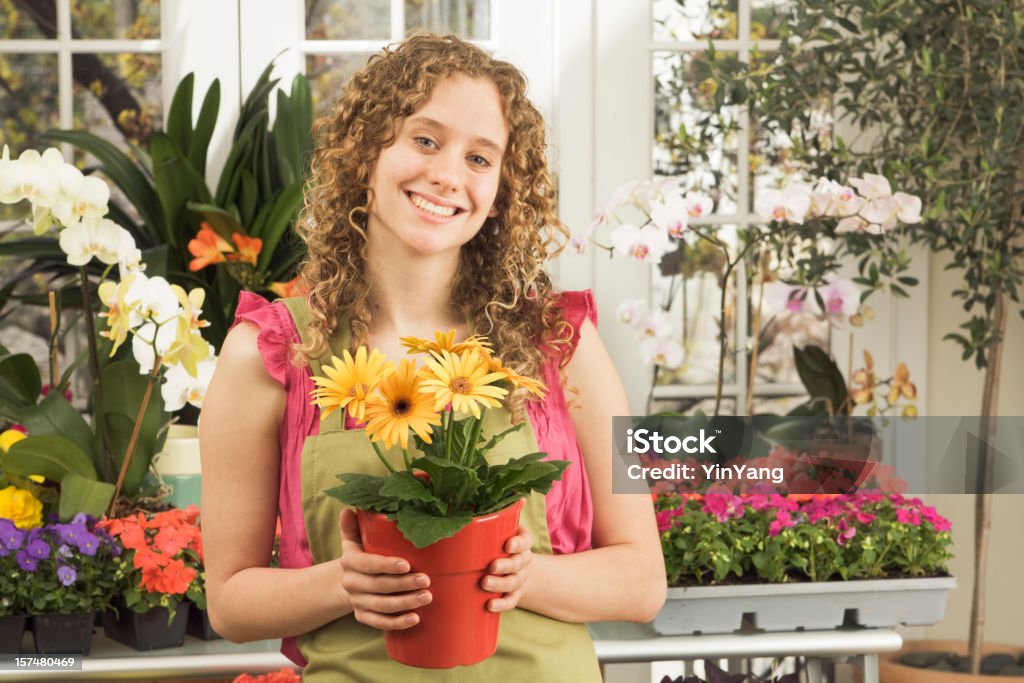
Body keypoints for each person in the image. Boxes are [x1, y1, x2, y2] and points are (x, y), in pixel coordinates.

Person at [199, 33, 666, 681]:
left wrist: (527, 576)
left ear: (502, 189)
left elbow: (642, 580)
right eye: (425, 139)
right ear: (367, 152)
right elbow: (228, 600)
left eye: (480, 157)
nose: (448, 174)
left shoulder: (562, 342)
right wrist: (342, 583)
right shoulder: (271, 351)